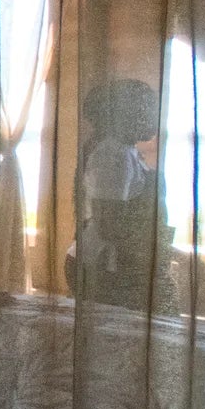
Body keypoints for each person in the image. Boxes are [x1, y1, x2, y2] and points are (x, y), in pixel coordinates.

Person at [72, 76, 177, 311]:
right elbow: (109, 223)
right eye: (148, 109)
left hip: (115, 262)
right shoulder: (113, 154)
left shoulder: (125, 151)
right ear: (128, 114)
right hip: (106, 265)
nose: (154, 117)